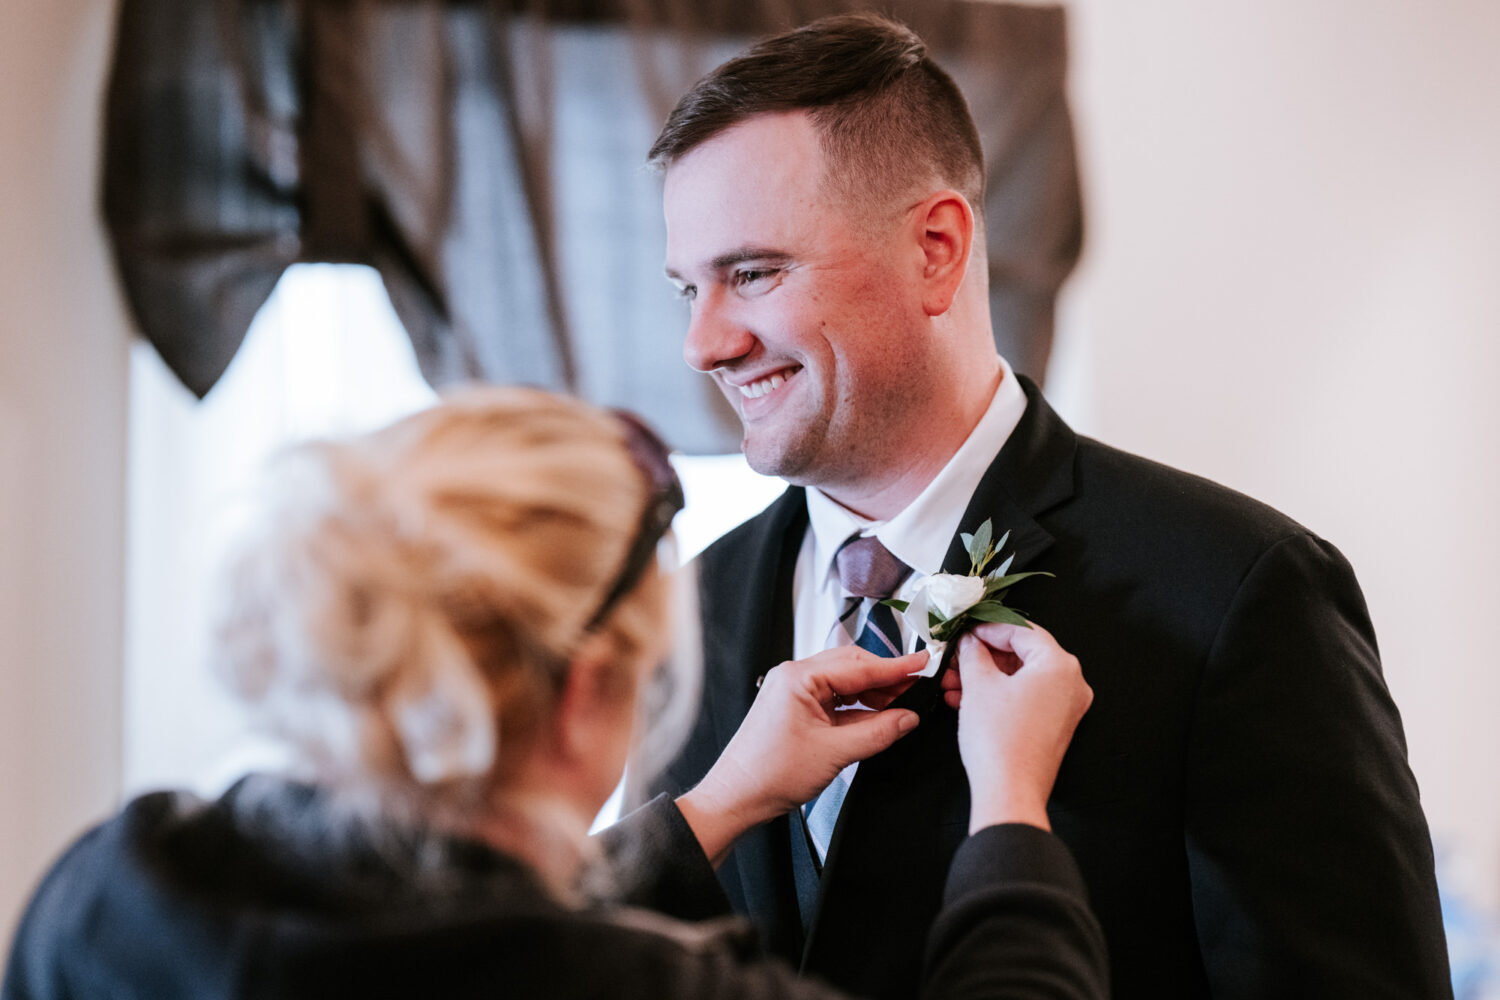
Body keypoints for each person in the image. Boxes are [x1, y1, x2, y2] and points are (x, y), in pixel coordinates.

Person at [637, 12, 1452, 1000]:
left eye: (753, 273)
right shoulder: (690, 611)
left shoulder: (1234, 589)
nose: (706, 343)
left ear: (937, 248)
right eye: (689, 289)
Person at [2, 386, 1105, 1000]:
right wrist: (1009, 806)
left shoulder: (111, 892)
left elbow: (465, 918)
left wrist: (717, 804)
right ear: (586, 692)